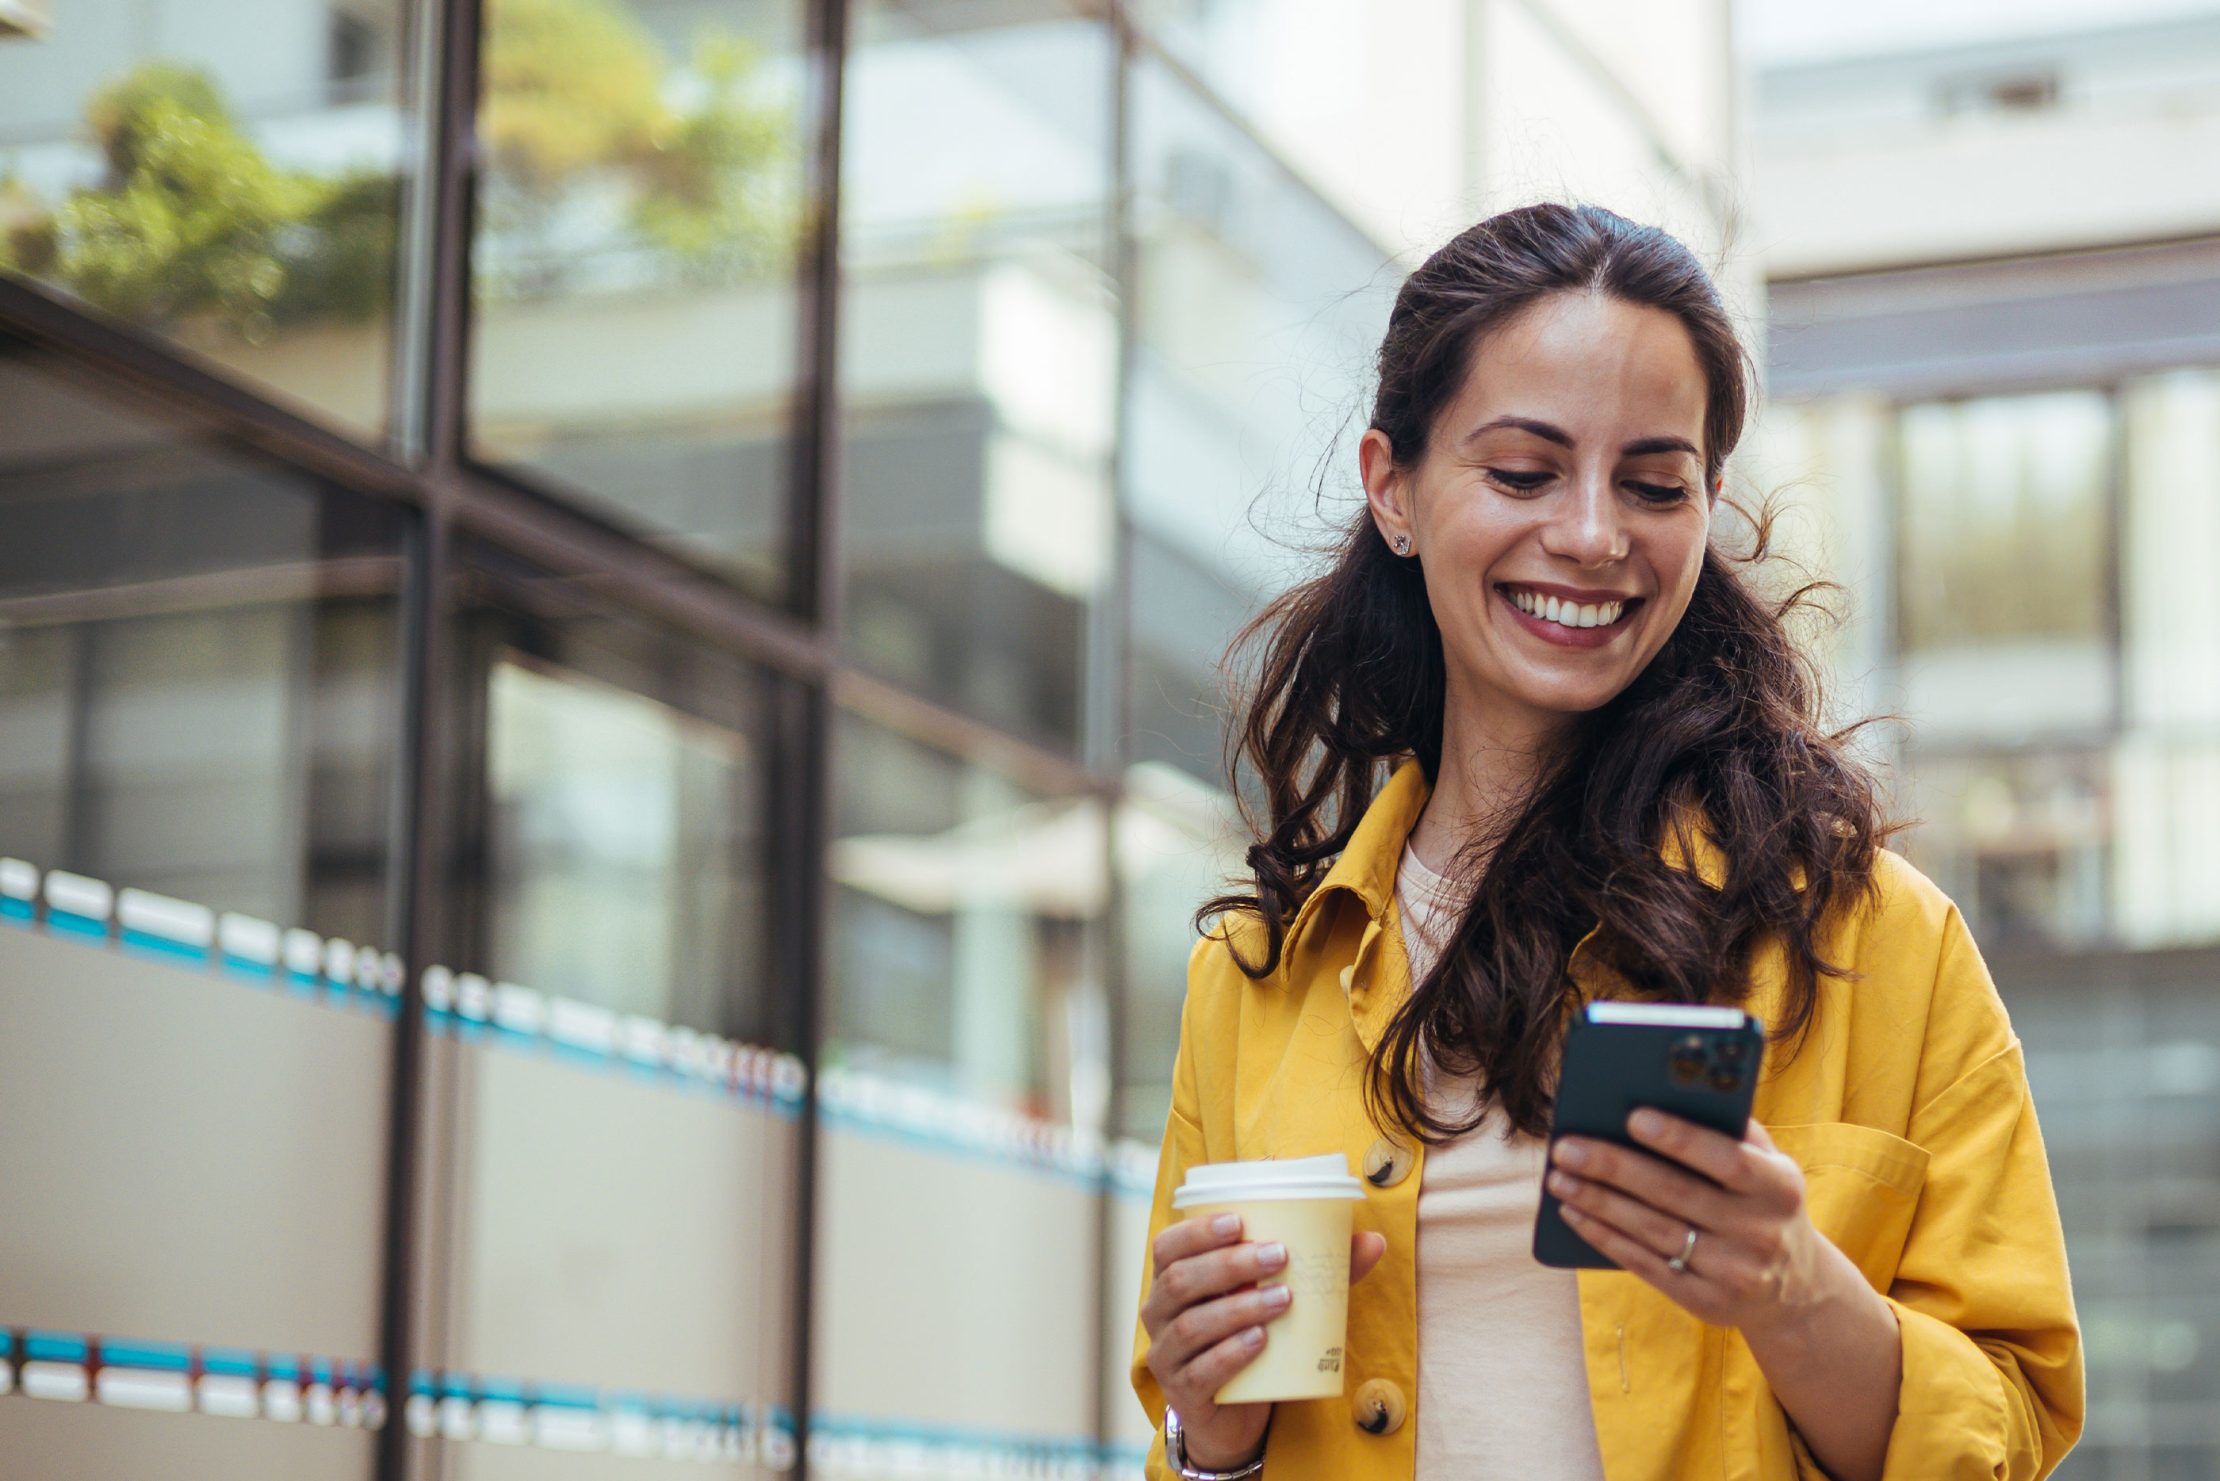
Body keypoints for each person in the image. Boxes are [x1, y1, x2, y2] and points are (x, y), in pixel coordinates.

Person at [1128, 203, 2083, 1481]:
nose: (1592, 534)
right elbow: (1198, 1447)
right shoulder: (1254, 983)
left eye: (1652, 483)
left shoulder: (1881, 941)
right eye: (1523, 471)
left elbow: (2014, 1433)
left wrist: (1797, 1290)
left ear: (1706, 508)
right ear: (1393, 488)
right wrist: (1210, 1436)